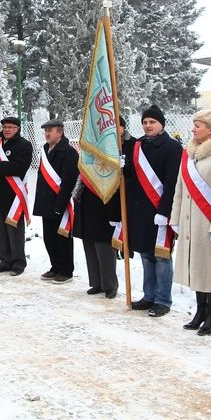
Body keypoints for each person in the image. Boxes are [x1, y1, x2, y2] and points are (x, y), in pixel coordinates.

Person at [171, 109, 211, 336]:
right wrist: (176, 218)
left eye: (197, 125)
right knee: (196, 268)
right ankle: (200, 312)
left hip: (209, 224)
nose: (193, 129)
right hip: (190, 223)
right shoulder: (190, 155)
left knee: (210, 272)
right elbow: (180, 189)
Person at [123, 105, 182, 317]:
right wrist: (124, 167)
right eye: (145, 122)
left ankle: (162, 300)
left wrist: (165, 211)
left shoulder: (172, 147)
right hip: (140, 210)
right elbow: (132, 177)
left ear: (161, 124)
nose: (148, 126)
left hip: (159, 210)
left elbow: (172, 183)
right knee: (146, 255)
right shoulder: (138, 144)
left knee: (161, 257)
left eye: (152, 122)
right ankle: (149, 296)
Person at [74, 118, 124, 299]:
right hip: (87, 198)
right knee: (89, 243)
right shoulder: (92, 147)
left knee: (104, 245)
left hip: (106, 201)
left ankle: (110, 284)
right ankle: (96, 282)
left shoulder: (121, 147)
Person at [0, 116, 32, 275]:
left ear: (18, 129)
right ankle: (4, 261)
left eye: (11, 127)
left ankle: (18, 263)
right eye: (5, 127)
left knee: (14, 232)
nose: (7, 130)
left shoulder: (24, 145)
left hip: (13, 196)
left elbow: (19, 167)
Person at [33, 118, 79, 283]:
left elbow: (68, 182)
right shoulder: (45, 149)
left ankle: (66, 271)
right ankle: (55, 267)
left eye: (50, 130)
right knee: (49, 238)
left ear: (60, 132)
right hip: (46, 202)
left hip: (60, 202)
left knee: (62, 238)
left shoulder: (69, 152)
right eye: (45, 131)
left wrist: (60, 204)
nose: (46, 134)